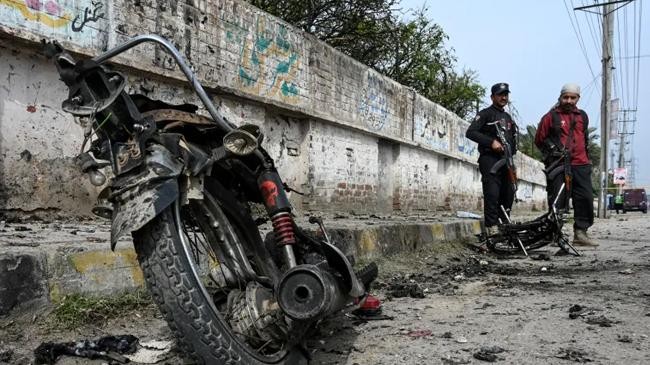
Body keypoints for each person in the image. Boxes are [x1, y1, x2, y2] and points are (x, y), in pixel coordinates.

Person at [535, 83, 597, 247]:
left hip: (581, 164)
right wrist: (553, 150)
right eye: (566, 97)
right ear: (560, 97)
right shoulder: (550, 117)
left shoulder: (582, 116)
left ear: (578, 98)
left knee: (585, 198)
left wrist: (587, 160)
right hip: (558, 164)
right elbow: (539, 139)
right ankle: (556, 234)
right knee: (557, 200)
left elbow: (585, 139)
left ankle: (580, 234)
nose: (569, 100)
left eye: (572, 97)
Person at [466, 82, 518, 237]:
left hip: (506, 161)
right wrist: (491, 142)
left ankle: (504, 225)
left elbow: (513, 142)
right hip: (490, 159)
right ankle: (492, 228)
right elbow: (471, 132)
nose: (503, 97)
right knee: (492, 194)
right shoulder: (485, 114)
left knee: (508, 194)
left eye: (506, 95)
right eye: (500, 94)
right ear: (492, 97)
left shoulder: (508, 118)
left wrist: (511, 154)